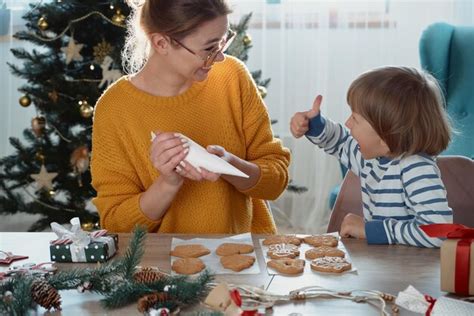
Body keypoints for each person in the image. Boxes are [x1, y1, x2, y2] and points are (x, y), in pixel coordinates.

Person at [91, 0, 290, 234]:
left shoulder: (231, 77)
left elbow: (276, 181)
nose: (219, 58)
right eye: (209, 49)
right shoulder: (115, 108)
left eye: (223, 43)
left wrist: (230, 165)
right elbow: (116, 224)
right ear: (161, 42)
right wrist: (167, 184)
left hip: (244, 256)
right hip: (162, 267)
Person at [290, 66, 453, 248]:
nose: (347, 123)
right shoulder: (372, 157)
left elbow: (440, 232)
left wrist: (371, 230)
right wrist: (313, 125)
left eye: (355, 118)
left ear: (386, 136)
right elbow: (341, 142)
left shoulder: (416, 168)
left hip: (411, 271)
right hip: (385, 265)